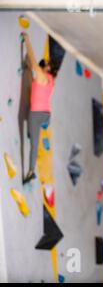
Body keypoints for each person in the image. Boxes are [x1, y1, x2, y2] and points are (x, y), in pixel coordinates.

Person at [22, 32, 57, 184]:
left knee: (34, 143)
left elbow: (32, 57)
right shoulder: (50, 79)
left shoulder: (41, 76)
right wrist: (30, 68)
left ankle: (31, 171)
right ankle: (35, 129)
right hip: (46, 115)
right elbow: (34, 73)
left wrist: (27, 40)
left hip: (36, 114)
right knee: (34, 133)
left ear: (42, 68)